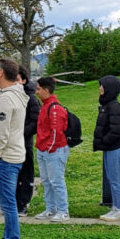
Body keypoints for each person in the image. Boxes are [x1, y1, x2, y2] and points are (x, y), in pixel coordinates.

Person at [0, 58, 29, 239]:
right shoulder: (16, 95)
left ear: (1, 73)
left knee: (8, 203)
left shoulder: (6, 98)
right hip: (13, 155)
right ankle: (10, 238)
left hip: (5, 158)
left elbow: (2, 132)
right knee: (9, 202)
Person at [33, 76, 71, 222]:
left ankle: (63, 210)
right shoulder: (45, 105)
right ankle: (51, 208)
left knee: (57, 181)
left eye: (38, 89)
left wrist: (50, 148)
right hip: (44, 150)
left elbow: (57, 131)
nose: (37, 92)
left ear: (46, 90)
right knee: (47, 181)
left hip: (54, 151)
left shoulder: (54, 107)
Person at [93, 75, 120, 221]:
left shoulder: (114, 106)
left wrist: (105, 141)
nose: (100, 88)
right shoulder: (107, 105)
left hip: (114, 147)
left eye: (103, 86)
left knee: (115, 178)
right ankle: (116, 207)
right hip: (109, 147)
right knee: (111, 177)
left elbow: (117, 130)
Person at [16, 67, 40, 217]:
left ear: (24, 80)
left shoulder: (31, 98)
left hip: (25, 143)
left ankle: (23, 204)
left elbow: (36, 121)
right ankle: (14, 203)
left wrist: (20, 133)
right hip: (11, 145)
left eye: (17, 79)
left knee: (26, 175)